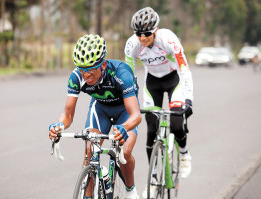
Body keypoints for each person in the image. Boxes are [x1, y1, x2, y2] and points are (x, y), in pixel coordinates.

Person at [49, 34, 141, 199]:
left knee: (125, 151)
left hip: (124, 110)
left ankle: (130, 189)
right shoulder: (76, 77)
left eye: (90, 69)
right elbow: (68, 113)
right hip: (101, 109)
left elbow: (135, 115)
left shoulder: (121, 73)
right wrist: (59, 125)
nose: (86, 75)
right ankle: (89, 196)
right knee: (90, 150)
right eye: (82, 69)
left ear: (103, 65)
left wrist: (125, 127)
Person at [124, 7, 194, 198]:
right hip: (152, 83)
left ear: (155, 30)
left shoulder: (168, 39)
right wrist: (130, 103)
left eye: (146, 33)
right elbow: (128, 77)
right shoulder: (132, 45)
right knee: (152, 129)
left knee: (178, 122)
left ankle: (185, 153)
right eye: (138, 33)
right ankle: (154, 179)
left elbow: (184, 69)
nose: (142, 37)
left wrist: (189, 99)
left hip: (174, 81)